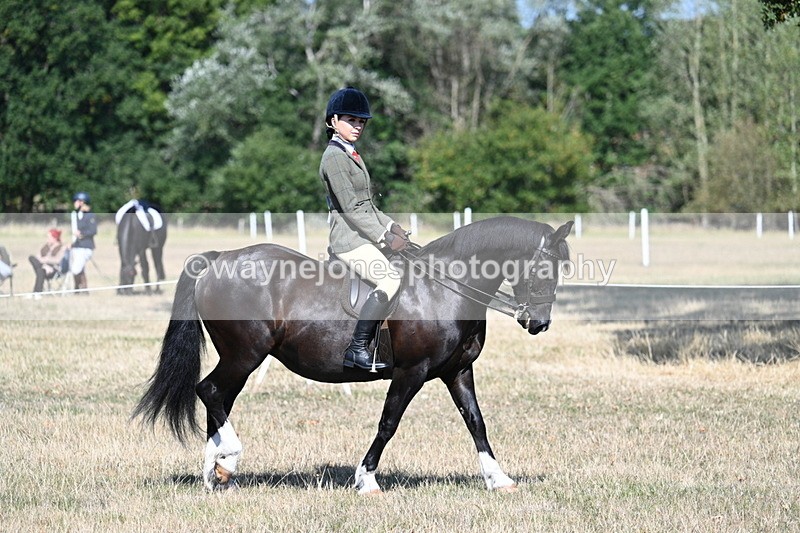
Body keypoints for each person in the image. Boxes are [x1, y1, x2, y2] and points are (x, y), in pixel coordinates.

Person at [319, 87, 410, 371]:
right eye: (351, 120)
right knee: (390, 280)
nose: (357, 126)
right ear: (333, 120)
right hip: (349, 240)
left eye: (361, 122)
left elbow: (367, 204)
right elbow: (351, 207)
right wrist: (383, 236)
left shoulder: (352, 154)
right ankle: (356, 349)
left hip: (363, 234)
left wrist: (393, 226)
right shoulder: (334, 157)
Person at [70, 191, 97, 293]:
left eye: (76, 201)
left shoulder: (90, 215)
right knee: (80, 268)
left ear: (82, 202)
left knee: (76, 269)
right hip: (77, 246)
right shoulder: (76, 215)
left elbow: (93, 231)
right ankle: (83, 290)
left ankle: (78, 288)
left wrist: (82, 233)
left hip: (86, 246)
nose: (74, 203)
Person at [28, 228, 67, 294]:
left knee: (40, 271)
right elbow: (37, 257)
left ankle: (36, 293)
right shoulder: (45, 246)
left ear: (54, 238)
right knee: (31, 258)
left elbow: (58, 260)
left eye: (49, 237)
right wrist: (44, 264)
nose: (47, 239)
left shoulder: (61, 247)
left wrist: (46, 259)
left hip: (53, 270)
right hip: (43, 267)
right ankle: (37, 293)